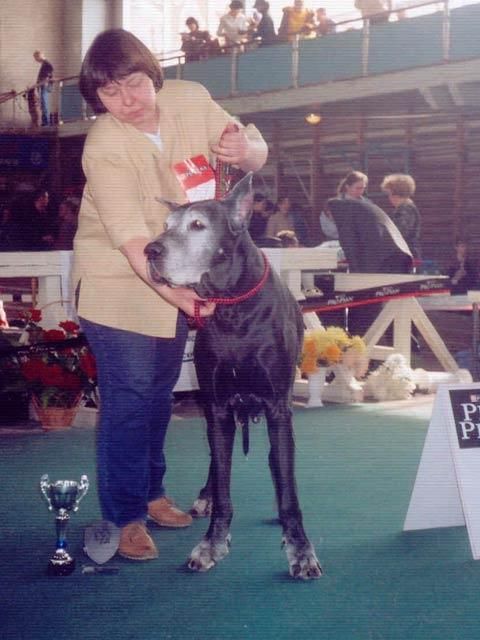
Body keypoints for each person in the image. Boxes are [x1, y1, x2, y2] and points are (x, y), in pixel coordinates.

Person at [74, 28, 268, 561]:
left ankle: (152, 493)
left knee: (159, 395)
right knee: (130, 397)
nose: (127, 100)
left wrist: (248, 149)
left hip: (175, 275)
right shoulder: (104, 146)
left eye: (134, 83)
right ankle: (125, 516)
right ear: (97, 98)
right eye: (110, 93)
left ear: (152, 74)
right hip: (119, 281)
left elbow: (254, 154)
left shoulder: (190, 98)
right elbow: (131, 239)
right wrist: (181, 297)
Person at [327, 196, 412, 334]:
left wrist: (355, 277)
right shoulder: (359, 208)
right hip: (398, 255)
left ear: (331, 212)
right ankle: (406, 341)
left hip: (383, 261)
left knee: (366, 304)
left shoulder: (344, 214)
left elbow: (350, 245)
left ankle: (360, 338)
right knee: (393, 306)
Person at [380, 173, 421, 261]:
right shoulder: (404, 208)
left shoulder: (406, 209)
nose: (389, 197)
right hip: (403, 254)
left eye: (389, 193)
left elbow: (399, 233)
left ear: (396, 193)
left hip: (404, 255)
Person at [33, 50, 54, 126]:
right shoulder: (44, 64)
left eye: (36, 58)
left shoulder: (47, 63)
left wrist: (45, 80)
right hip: (42, 85)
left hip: (44, 85)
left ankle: (46, 123)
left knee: (44, 104)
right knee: (43, 103)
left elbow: (50, 71)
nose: (36, 60)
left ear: (39, 56)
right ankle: (45, 122)